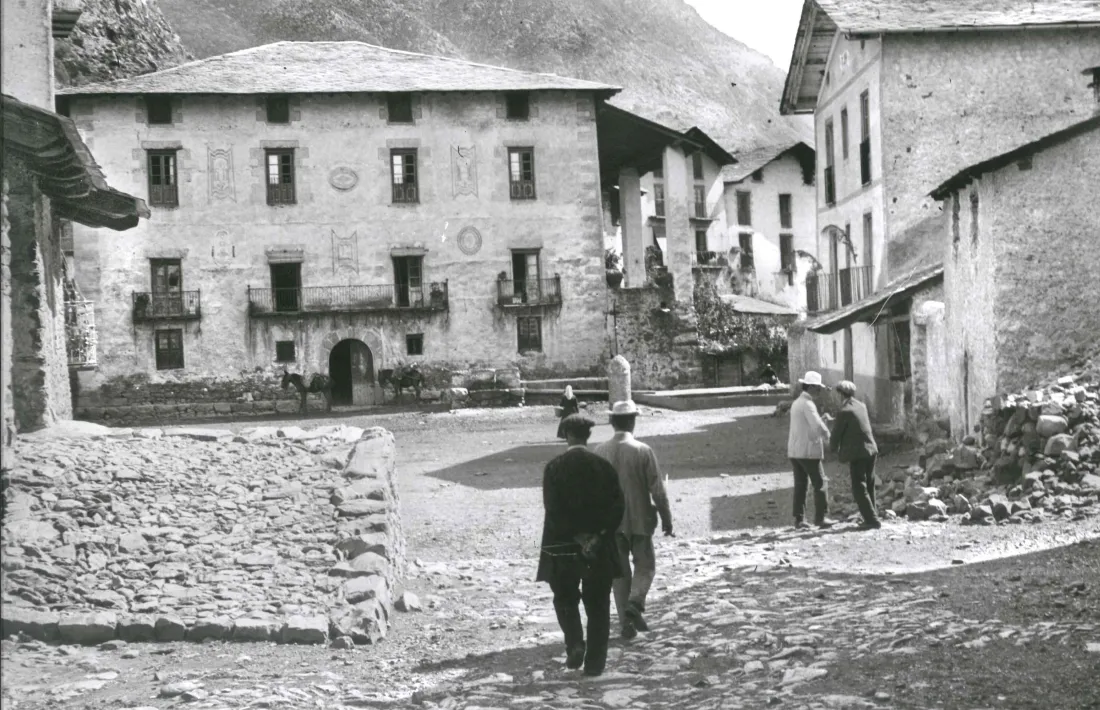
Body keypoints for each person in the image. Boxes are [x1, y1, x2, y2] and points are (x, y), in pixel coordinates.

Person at [536, 414, 625, 677]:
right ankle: (596, 664)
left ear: (566, 435)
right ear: (588, 436)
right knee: (598, 604)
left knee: (564, 597)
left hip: (563, 545)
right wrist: (597, 536)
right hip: (599, 547)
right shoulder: (604, 467)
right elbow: (617, 506)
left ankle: (574, 642)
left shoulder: (554, 468)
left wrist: (576, 536)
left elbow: (553, 509)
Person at [594, 400, 673, 640]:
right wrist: (666, 517)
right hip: (640, 517)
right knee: (645, 565)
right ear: (633, 421)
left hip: (611, 522)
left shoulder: (600, 452)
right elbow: (658, 490)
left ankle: (624, 623)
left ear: (611, 421)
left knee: (619, 574)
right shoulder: (642, 450)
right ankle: (636, 601)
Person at [829, 380, 881, 530]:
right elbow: (854, 423)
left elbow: (836, 434)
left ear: (840, 394)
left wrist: (831, 448)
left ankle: (872, 520)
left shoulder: (843, 411)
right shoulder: (860, 406)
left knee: (858, 487)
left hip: (858, 453)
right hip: (871, 449)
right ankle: (872, 515)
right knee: (869, 484)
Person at [787, 371, 836, 529]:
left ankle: (799, 519)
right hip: (808, 451)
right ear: (813, 387)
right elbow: (816, 425)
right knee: (820, 483)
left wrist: (821, 421)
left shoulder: (797, 402)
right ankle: (821, 518)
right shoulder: (808, 404)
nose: (819, 392)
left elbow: (807, 424)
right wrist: (828, 435)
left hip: (795, 450)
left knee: (801, 485)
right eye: (818, 388)